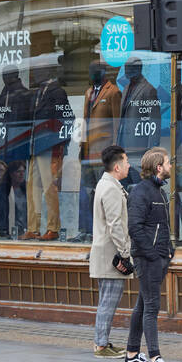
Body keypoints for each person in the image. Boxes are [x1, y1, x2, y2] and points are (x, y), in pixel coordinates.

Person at [124, 146, 175, 362]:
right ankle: (155, 357)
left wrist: (169, 250)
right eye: (168, 162)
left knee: (143, 304)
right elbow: (134, 227)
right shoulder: (140, 192)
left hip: (159, 256)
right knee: (152, 306)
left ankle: (132, 354)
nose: (170, 166)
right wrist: (153, 254)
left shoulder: (160, 191)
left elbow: (161, 225)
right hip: (148, 259)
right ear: (158, 167)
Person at [89, 145, 133, 357]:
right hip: (111, 253)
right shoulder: (111, 188)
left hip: (105, 251)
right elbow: (115, 224)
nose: (128, 165)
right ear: (117, 166)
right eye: (125, 162)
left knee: (106, 299)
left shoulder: (106, 184)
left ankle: (103, 341)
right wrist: (125, 252)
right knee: (109, 300)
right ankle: (101, 344)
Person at [24, 57, 74, 240]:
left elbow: (67, 118)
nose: (35, 74)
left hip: (49, 147)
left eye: (38, 71)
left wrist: (60, 144)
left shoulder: (57, 92)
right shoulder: (38, 93)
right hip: (36, 146)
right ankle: (33, 227)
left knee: (49, 187)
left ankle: (53, 227)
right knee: (32, 187)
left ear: (46, 72)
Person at [77, 62, 122, 242]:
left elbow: (118, 123)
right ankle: (86, 230)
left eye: (95, 71)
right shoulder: (89, 93)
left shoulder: (113, 92)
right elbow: (85, 121)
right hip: (88, 153)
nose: (91, 74)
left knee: (104, 194)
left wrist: (114, 152)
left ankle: (103, 232)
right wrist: (82, 145)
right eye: (90, 71)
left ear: (103, 73)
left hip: (104, 153)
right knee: (87, 193)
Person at [0, 67, 32, 238]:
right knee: (1, 190)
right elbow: (0, 123)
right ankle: (2, 227)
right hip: (3, 149)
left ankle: (22, 227)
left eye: (7, 75)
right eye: (3, 75)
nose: (5, 78)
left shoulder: (24, 95)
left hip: (18, 147)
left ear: (15, 76)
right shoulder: (3, 95)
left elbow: (27, 123)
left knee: (20, 189)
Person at [117, 57, 163, 188]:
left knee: (140, 186)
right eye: (126, 67)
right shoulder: (126, 88)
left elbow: (155, 122)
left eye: (130, 67)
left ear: (138, 69)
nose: (127, 70)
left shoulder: (148, 89)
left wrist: (152, 151)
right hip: (124, 147)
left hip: (139, 148)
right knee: (124, 187)